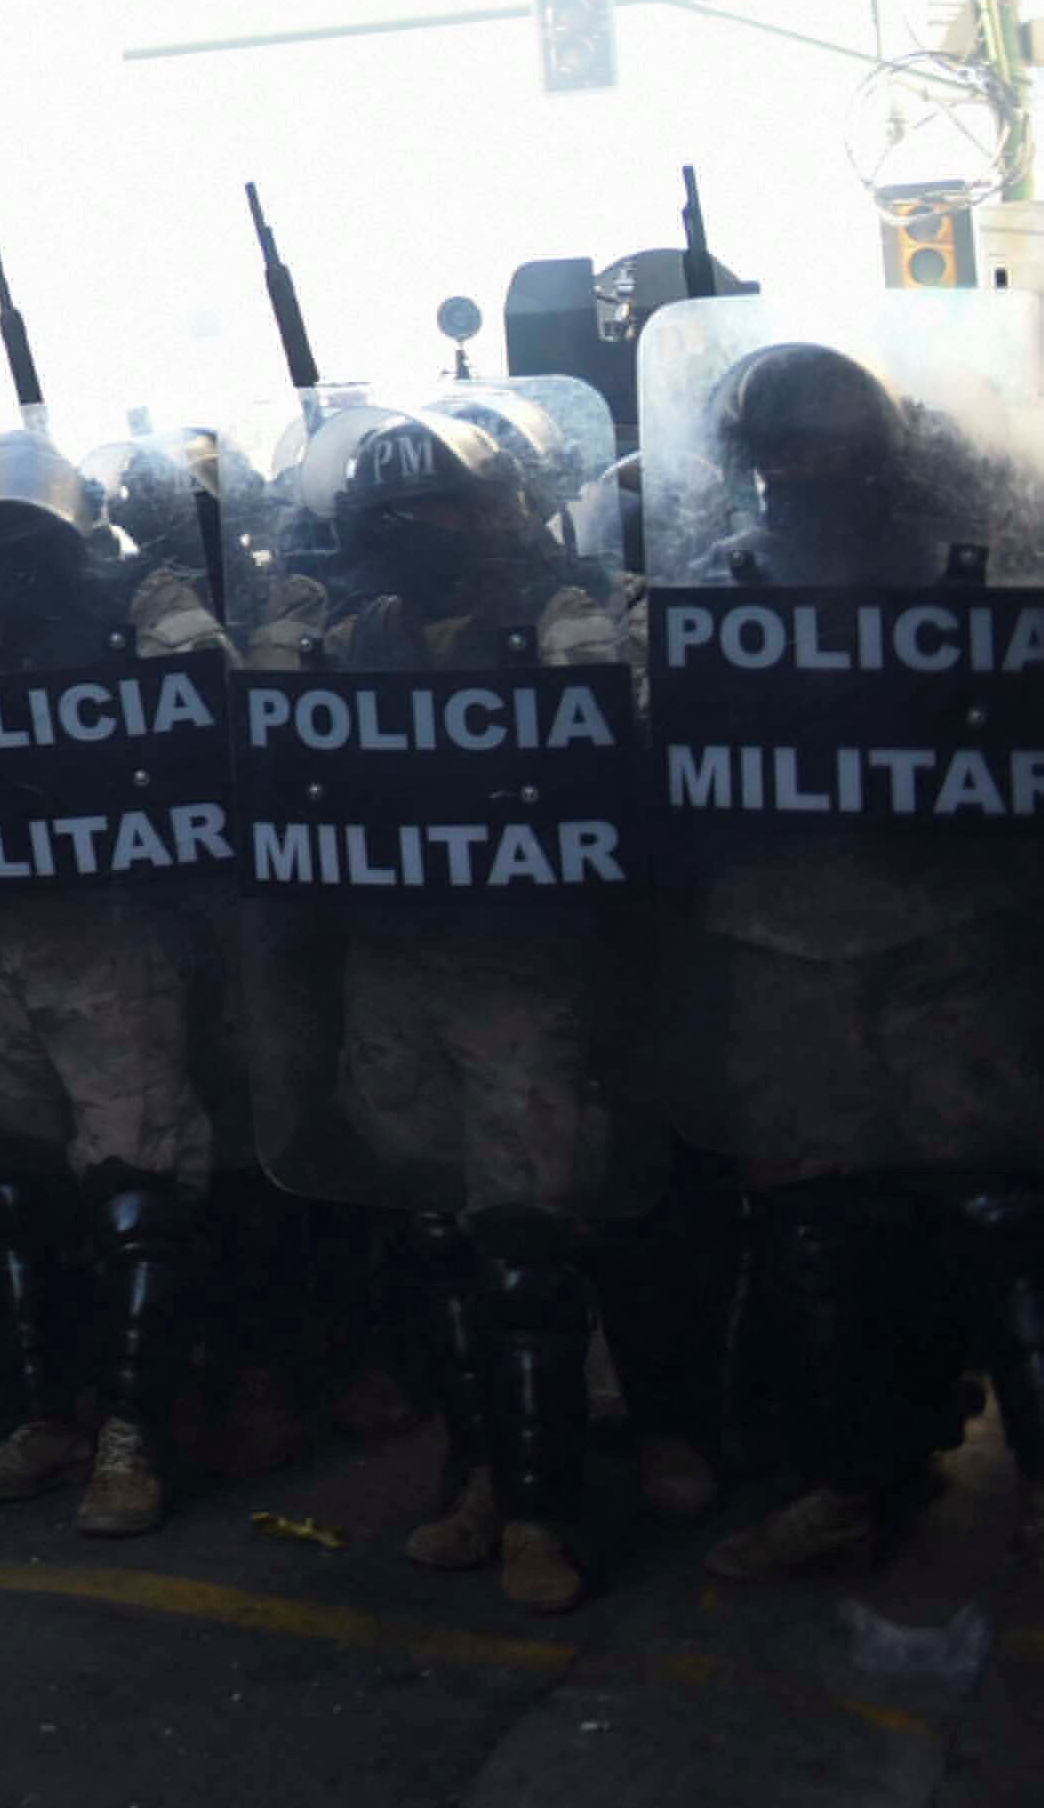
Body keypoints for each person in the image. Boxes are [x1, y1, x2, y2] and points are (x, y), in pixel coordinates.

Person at [643, 307, 1044, 1578]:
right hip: (777, 937)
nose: (799, 475)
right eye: (778, 453)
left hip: (950, 934)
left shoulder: (973, 578)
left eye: (820, 448)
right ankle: (845, 1479)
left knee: (990, 1206)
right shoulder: (713, 589)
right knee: (815, 1215)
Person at [244, 400, 647, 1612]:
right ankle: (474, 1475)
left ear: (502, 512)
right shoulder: (351, 633)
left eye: (445, 507)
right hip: (390, 961)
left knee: (524, 1239)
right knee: (432, 1232)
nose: (420, 530)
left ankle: (541, 1507)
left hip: (521, 965)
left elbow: (635, 781)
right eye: (393, 513)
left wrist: (600, 674)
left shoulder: (571, 617)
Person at [0, 426, 239, 1539]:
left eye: (22, 536)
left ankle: (135, 1431)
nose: (5, 560)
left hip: (114, 926)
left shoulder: (148, 602)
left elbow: (215, 718)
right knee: (12, 1180)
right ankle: (48, 1412)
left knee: (136, 1181)